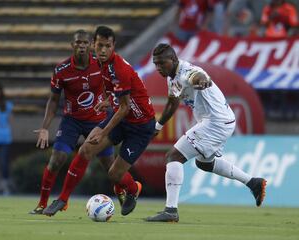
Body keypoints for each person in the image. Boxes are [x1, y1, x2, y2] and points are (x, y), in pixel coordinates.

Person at [145, 43, 267, 222]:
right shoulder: (172, 76)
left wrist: (202, 80)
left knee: (173, 156)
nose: (158, 68)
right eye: (156, 64)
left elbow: (197, 76)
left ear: (173, 60)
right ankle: (253, 182)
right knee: (205, 164)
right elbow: (172, 103)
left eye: (162, 63)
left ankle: (171, 210)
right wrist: (158, 127)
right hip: (221, 121)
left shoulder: (187, 72)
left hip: (215, 123)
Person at [42, 26, 156, 217]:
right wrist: (106, 101)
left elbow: (125, 107)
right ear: (94, 45)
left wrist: (103, 132)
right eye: (100, 45)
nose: (103, 50)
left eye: (107, 46)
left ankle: (133, 189)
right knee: (86, 148)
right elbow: (116, 95)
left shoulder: (118, 69)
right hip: (122, 116)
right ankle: (62, 199)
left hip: (140, 125)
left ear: (114, 46)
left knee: (114, 174)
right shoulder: (102, 64)